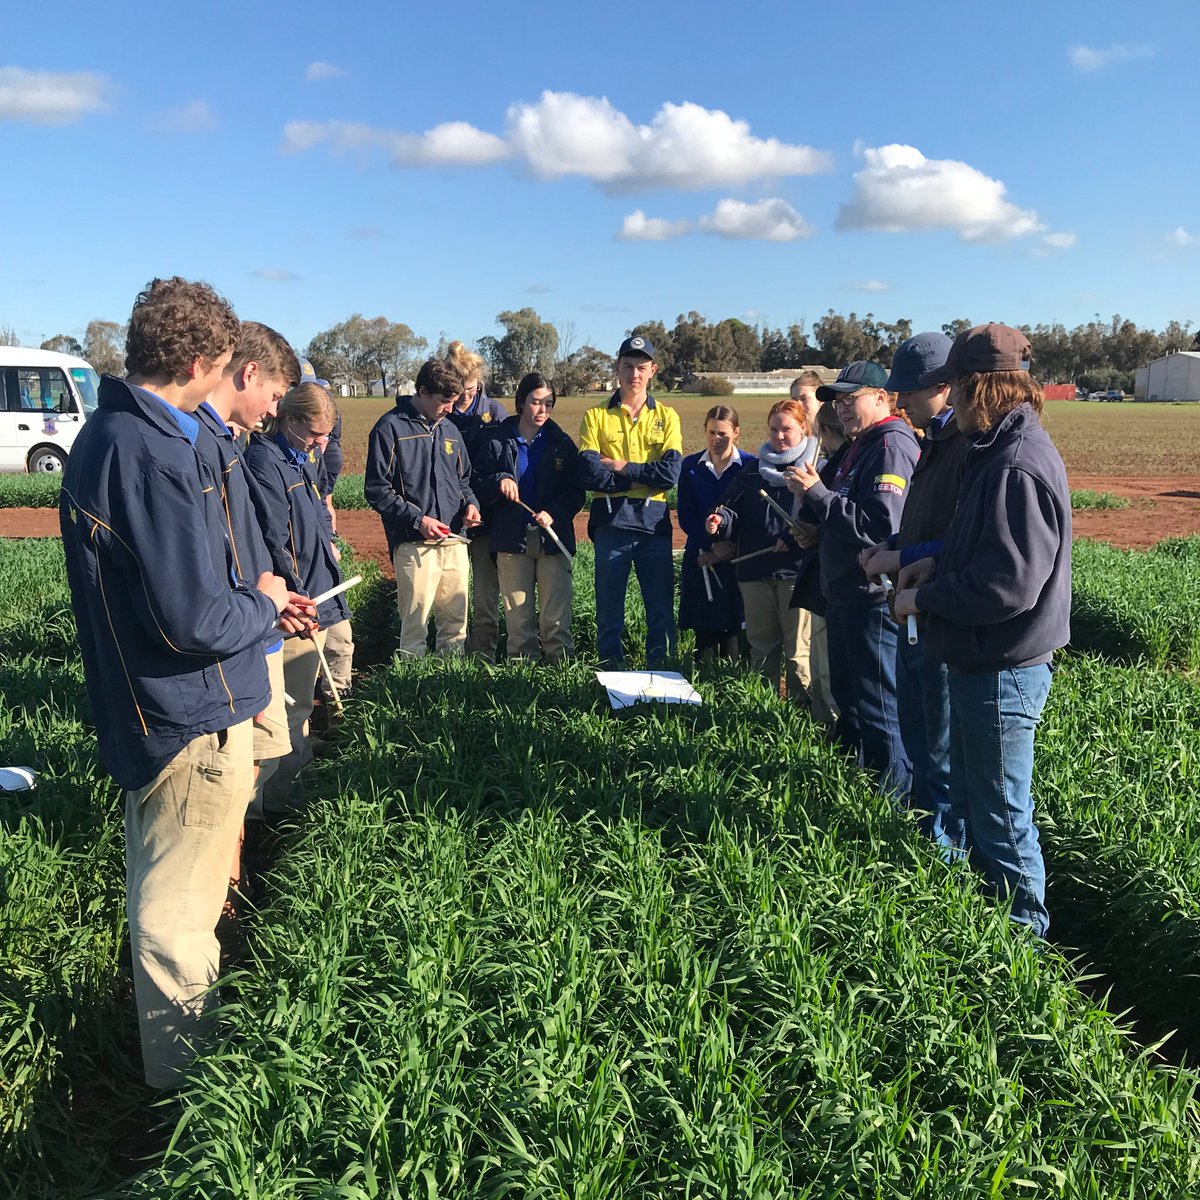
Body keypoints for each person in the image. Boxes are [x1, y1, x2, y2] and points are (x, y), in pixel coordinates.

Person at [58, 277, 293, 1089]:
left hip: (180, 714)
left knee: (171, 913)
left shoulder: (126, 436)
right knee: (170, 927)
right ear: (198, 360)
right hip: (189, 718)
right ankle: (192, 1108)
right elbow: (193, 620)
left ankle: (191, 1098)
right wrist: (262, 604)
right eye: (224, 364)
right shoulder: (147, 452)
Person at [894, 324, 1071, 938]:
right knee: (976, 803)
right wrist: (936, 564)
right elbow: (986, 552)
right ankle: (990, 926)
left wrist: (924, 598)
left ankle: (1023, 951)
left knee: (999, 814)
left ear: (978, 388)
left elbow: (1007, 586)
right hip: (981, 661)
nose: (951, 401)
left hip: (1002, 667)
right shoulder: (993, 452)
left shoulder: (1015, 465)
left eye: (957, 388)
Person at [197, 322, 304, 901]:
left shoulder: (229, 449)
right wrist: (262, 605)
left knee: (250, 774)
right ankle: (230, 893)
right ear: (250, 373)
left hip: (256, 634)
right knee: (229, 787)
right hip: (235, 648)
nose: (271, 411)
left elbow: (244, 555)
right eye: (274, 395)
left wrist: (274, 606)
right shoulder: (199, 450)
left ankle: (238, 881)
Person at [787, 360, 919, 800]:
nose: (842, 408)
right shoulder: (858, 446)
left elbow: (881, 527)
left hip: (872, 602)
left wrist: (819, 497)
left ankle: (895, 808)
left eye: (851, 398)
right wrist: (816, 526)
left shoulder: (891, 446)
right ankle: (858, 793)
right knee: (851, 702)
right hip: (844, 594)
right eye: (837, 401)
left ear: (882, 398)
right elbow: (841, 514)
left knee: (879, 707)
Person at [859, 333, 971, 845]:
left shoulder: (968, 446)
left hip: (940, 613)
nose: (899, 400)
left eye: (910, 390)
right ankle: (924, 840)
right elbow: (922, 523)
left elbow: (964, 541)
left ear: (944, 386)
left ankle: (944, 857)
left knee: (941, 750)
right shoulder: (933, 439)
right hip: (912, 612)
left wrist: (899, 556)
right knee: (920, 737)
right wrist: (892, 546)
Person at [244, 383, 349, 808]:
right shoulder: (264, 461)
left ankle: (299, 763)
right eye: (315, 434)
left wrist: (329, 545)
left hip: (316, 595)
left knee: (302, 701)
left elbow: (317, 519)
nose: (322, 443)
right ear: (288, 420)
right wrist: (298, 597)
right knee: (288, 706)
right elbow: (274, 537)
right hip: (294, 603)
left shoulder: (301, 458)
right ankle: (279, 802)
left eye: (326, 434)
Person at [364, 358, 481, 657]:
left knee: (456, 626)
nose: (450, 409)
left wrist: (471, 504)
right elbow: (377, 490)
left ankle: (449, 685)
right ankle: (410, 690)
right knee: (414, 628)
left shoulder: (451, 431)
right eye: (444, 401)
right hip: (415, 545)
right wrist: (418, 520)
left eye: (454, 402)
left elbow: (464, 481)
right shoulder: (389, 428)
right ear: (424, 391)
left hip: (454, 541)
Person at [578, 335, 682, 668]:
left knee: (660, 608)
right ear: (617, 368)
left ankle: (661, 671)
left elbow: (670, 474)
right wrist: (643, 476)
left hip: (654, 526)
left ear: (653, 370)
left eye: (640, 367)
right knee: (609, 609)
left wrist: (622, 467)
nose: (633, 374)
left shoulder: (668, 417)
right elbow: (591, 475)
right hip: (611, 524)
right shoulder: (595, 416)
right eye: (627, 366)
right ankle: (611, 671)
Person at [706, 399, 815, 699]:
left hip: (796, 572)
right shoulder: (753, 470)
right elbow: (731, 508)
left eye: (787, 430)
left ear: (803, 428)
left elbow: (817, 516)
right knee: (762, 649)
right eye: (774, 429)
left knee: (797, 652)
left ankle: (800, 716)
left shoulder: (813, 468)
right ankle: (763, 712)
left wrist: (793, 539)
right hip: (754, 572)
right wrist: (720, 520)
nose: (779, 436)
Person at [474, 373, 584, 661]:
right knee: (519, 623)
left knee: (555, 620)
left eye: (548, 403)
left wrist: (555, 514)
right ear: (521, 402)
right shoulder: (496, 440)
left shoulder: (562, 442)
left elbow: (576, 492)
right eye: (536, 402)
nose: (542, 410)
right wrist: (499, 481)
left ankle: (561, 679)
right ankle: (522, 681)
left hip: (553, 539)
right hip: (511, 541)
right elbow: (475, 483)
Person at [446, 341, 508, 661]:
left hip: (486, 523)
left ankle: (483, 657)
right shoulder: (441, 413)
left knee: (485, 597)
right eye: (460, 389)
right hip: (449, 522)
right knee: (452, 600)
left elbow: (505, 465)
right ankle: (454, 660)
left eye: (471, 388)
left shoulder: (495, 413)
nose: (466, 395)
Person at [298, 358, 355, 704]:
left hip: (321, 555)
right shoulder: (268, 455)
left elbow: (321, 498)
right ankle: (302, 732)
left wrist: (328, 536)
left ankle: (337, 709)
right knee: (302, 656)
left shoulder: (319, 448)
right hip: (296, 570)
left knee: (340, 640)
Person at [788, 401, 848, 727]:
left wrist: (811, 496)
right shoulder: (846, 461)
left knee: (826, 663)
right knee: (821, 659)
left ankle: (832, 732)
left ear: (822, 432)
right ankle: (825, 729)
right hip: (829, 572)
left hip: (836, 577)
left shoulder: (838, 465)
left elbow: (845, 519)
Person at [676, 406, 752, 661]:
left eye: (723, 434)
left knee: (734, 628)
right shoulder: (690, 466)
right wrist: (710, 547)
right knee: (704, 628)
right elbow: (685, 514)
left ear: (736, 433)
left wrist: (726, 548)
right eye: (711, 433)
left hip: (736, 555)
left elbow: (751, 514)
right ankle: (702, 680)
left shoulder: (750, 466)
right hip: (699, 553)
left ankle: (732, 684)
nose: (716, 439)